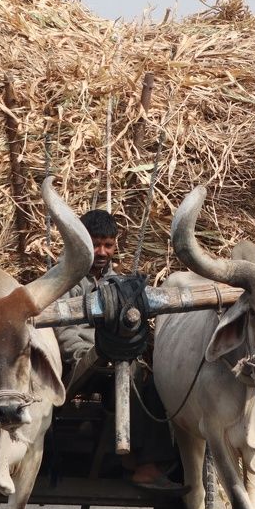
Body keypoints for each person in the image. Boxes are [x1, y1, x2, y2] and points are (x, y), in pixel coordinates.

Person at [55, 209, 184, 492]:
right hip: (75, 363)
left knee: (153, 380)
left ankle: (152, 459)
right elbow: (61, 331)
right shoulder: (63, 279)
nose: (102, 252)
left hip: (116, 358)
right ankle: (141, 463)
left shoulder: (122, 284)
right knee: (129, 372)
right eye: (95, 243)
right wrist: (85, 353)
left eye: (108, 245)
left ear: (115, 245)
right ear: (81, 242)